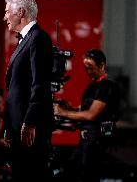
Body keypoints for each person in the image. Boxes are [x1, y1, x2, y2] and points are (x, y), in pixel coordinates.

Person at [3, 0, 54, 181]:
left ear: (21, 11)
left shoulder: (38, 39)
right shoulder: (24, 40)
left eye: (7, 12)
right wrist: (8, 126)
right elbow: (15, 89)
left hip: (30, 129)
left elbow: (40, 83)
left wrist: (30, 121)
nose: (5, 17)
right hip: (18, 128)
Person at [53, 48, 120, 182]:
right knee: (70, 172)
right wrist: (69, 108)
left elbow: (91, 115)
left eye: (90, 67)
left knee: (87, 176)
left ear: (102, 65)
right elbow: (83, 110)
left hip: (96, 142)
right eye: (85, 68)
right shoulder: (91, 87)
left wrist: (64, 112)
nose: (88, 71)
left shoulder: (107, 86)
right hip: (85, 139)